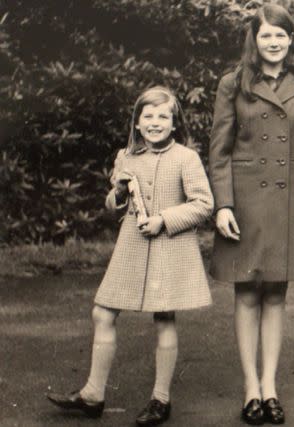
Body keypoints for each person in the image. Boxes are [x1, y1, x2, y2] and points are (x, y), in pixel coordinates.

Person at [46, 86, 214, 426]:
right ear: (137, 123)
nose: (155, 123)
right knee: (103, 311)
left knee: (164, 318)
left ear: (174, 122)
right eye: (148, 117)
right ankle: (93, 393)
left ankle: (161, 399)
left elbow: (203, 204)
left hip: (169, 245)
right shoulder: (126, 156)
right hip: (133, 246)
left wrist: (164, 220)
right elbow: (113, 207)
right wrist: (119, 191)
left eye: (162, 117)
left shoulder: (186, 158)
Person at [208, 4, 294, 425]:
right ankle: (250, 387)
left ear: (293, 40)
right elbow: (219, 150)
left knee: (276, 292)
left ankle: (270, 386)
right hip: (246, 199)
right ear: (254, 40)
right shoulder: (233, 83)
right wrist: (223, 204)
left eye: (282, 35)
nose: (274, 42)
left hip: (290, 197)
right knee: (246, 291)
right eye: (266, 35)